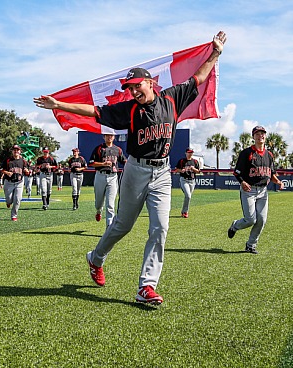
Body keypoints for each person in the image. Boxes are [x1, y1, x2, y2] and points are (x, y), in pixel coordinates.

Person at [34, 31, 227, 305]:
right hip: (136, 171)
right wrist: (59, 104)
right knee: (122, 225)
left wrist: (216, 52)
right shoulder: (130, 110)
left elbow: (199, 76)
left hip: (162, 172)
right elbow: (93, 112)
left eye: (137, 85)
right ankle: (96, 257)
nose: (134, 91)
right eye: (130, 88)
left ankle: (146, 286)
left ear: (150, 82)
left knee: (160, 229)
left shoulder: (172, 99)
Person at [228, 126, 284, 254]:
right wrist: (242, 182)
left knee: (262, 220)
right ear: (253, 137)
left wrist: (278, 182)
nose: (261, 136)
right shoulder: (247, 153)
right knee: (250, 220)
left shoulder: (269, 155)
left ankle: (251, 245)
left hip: (263, 191)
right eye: (257, 134)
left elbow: (271, 174)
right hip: (249, 190)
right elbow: (237, 173)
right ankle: (235, 225)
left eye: (263, 134)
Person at [89, 132, 127, 226]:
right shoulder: (99, 148)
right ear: (104, 137)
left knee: (110, 205)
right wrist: (103, 164)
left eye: (111, 135)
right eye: (107, 135)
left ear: (114, 137)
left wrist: (130, 162)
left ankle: (109, 228)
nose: (109, 137)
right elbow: (91, 163)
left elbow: (123, 161)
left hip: (113, 177)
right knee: (98, 203)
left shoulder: (117, 149)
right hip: (100, 175)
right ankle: (99, 211)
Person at [0, 145, 30, 221]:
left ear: (20, 151)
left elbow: (27, 171)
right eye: (14, 150)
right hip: (9, 182)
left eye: (17, 150)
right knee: (9, 200)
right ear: (12, 151)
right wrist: (7, 173)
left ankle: (14, 215)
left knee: (17, 199)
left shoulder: (23, 161)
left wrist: (27, 171)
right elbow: (1, 169)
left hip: (19, 182)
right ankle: (8, 202)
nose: (16, 151)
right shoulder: (8, 160)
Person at [175, 147, 201, 218]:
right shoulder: (182, 161)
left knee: (188, 197)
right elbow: (176, 169)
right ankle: (185, 212)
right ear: (186, 153)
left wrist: (194, 169)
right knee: (188, 196)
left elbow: (198, 171)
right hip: (184, 180)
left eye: (191, 152)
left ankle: (184, 211)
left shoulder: (195, 161)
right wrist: (181, 170)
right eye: (189, 152)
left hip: (192, 181)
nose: (190, 153)